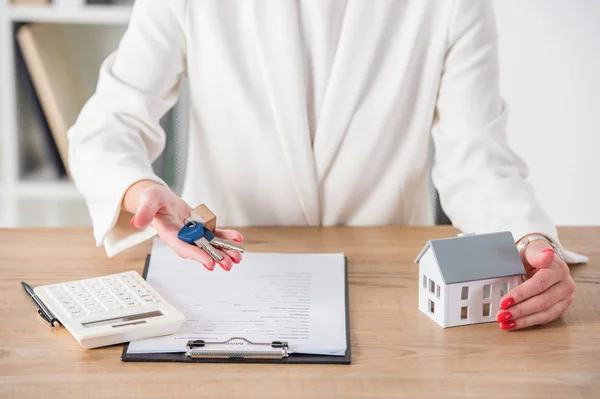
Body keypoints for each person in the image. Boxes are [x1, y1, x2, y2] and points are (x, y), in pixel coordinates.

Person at [67, 0, 586, 330]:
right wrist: (138, 189)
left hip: (387, 299)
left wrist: (528, 242)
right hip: (227, 281)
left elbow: (476, 158)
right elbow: (109, 124)